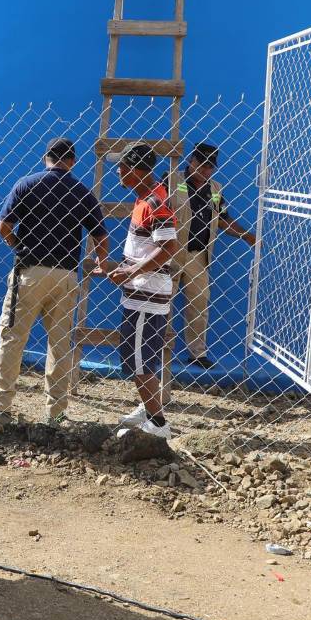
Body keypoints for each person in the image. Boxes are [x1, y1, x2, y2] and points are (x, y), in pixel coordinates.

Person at [0, 138, 109, 425]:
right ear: (73, 161)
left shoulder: (26, 184)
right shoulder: (82, 192)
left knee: (13, 338)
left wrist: (18, 246)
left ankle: (1, 405)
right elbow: (100, 237)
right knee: (60, 344)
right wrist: (101, 262)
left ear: (45, 158)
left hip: (29, 270)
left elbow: (3, 225)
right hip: (65, 274)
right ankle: (56, 412)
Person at [104, 143, 179, 440]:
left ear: (137, 170)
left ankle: (159, 424)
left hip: (146, 294)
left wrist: (131, 273)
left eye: (122, 166)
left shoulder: (154, 202)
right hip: (143, 291)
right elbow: (144, 248)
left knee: (136, 359)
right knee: (144, 356)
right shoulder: (144, 199)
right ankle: (149, 409)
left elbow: (167, 248)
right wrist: (120, 268)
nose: (118, 171)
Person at [169, 143, 256, 367]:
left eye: (210, 167)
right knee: (162, 303)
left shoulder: (215, 189)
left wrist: (247, 236)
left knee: (199, 304)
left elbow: (224, 220)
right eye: (202, 165)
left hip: (198, 256)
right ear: (192, 161)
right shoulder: (171, 181)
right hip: (170, 253)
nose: (206, 171)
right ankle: (159, 349)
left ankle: (197, 353)